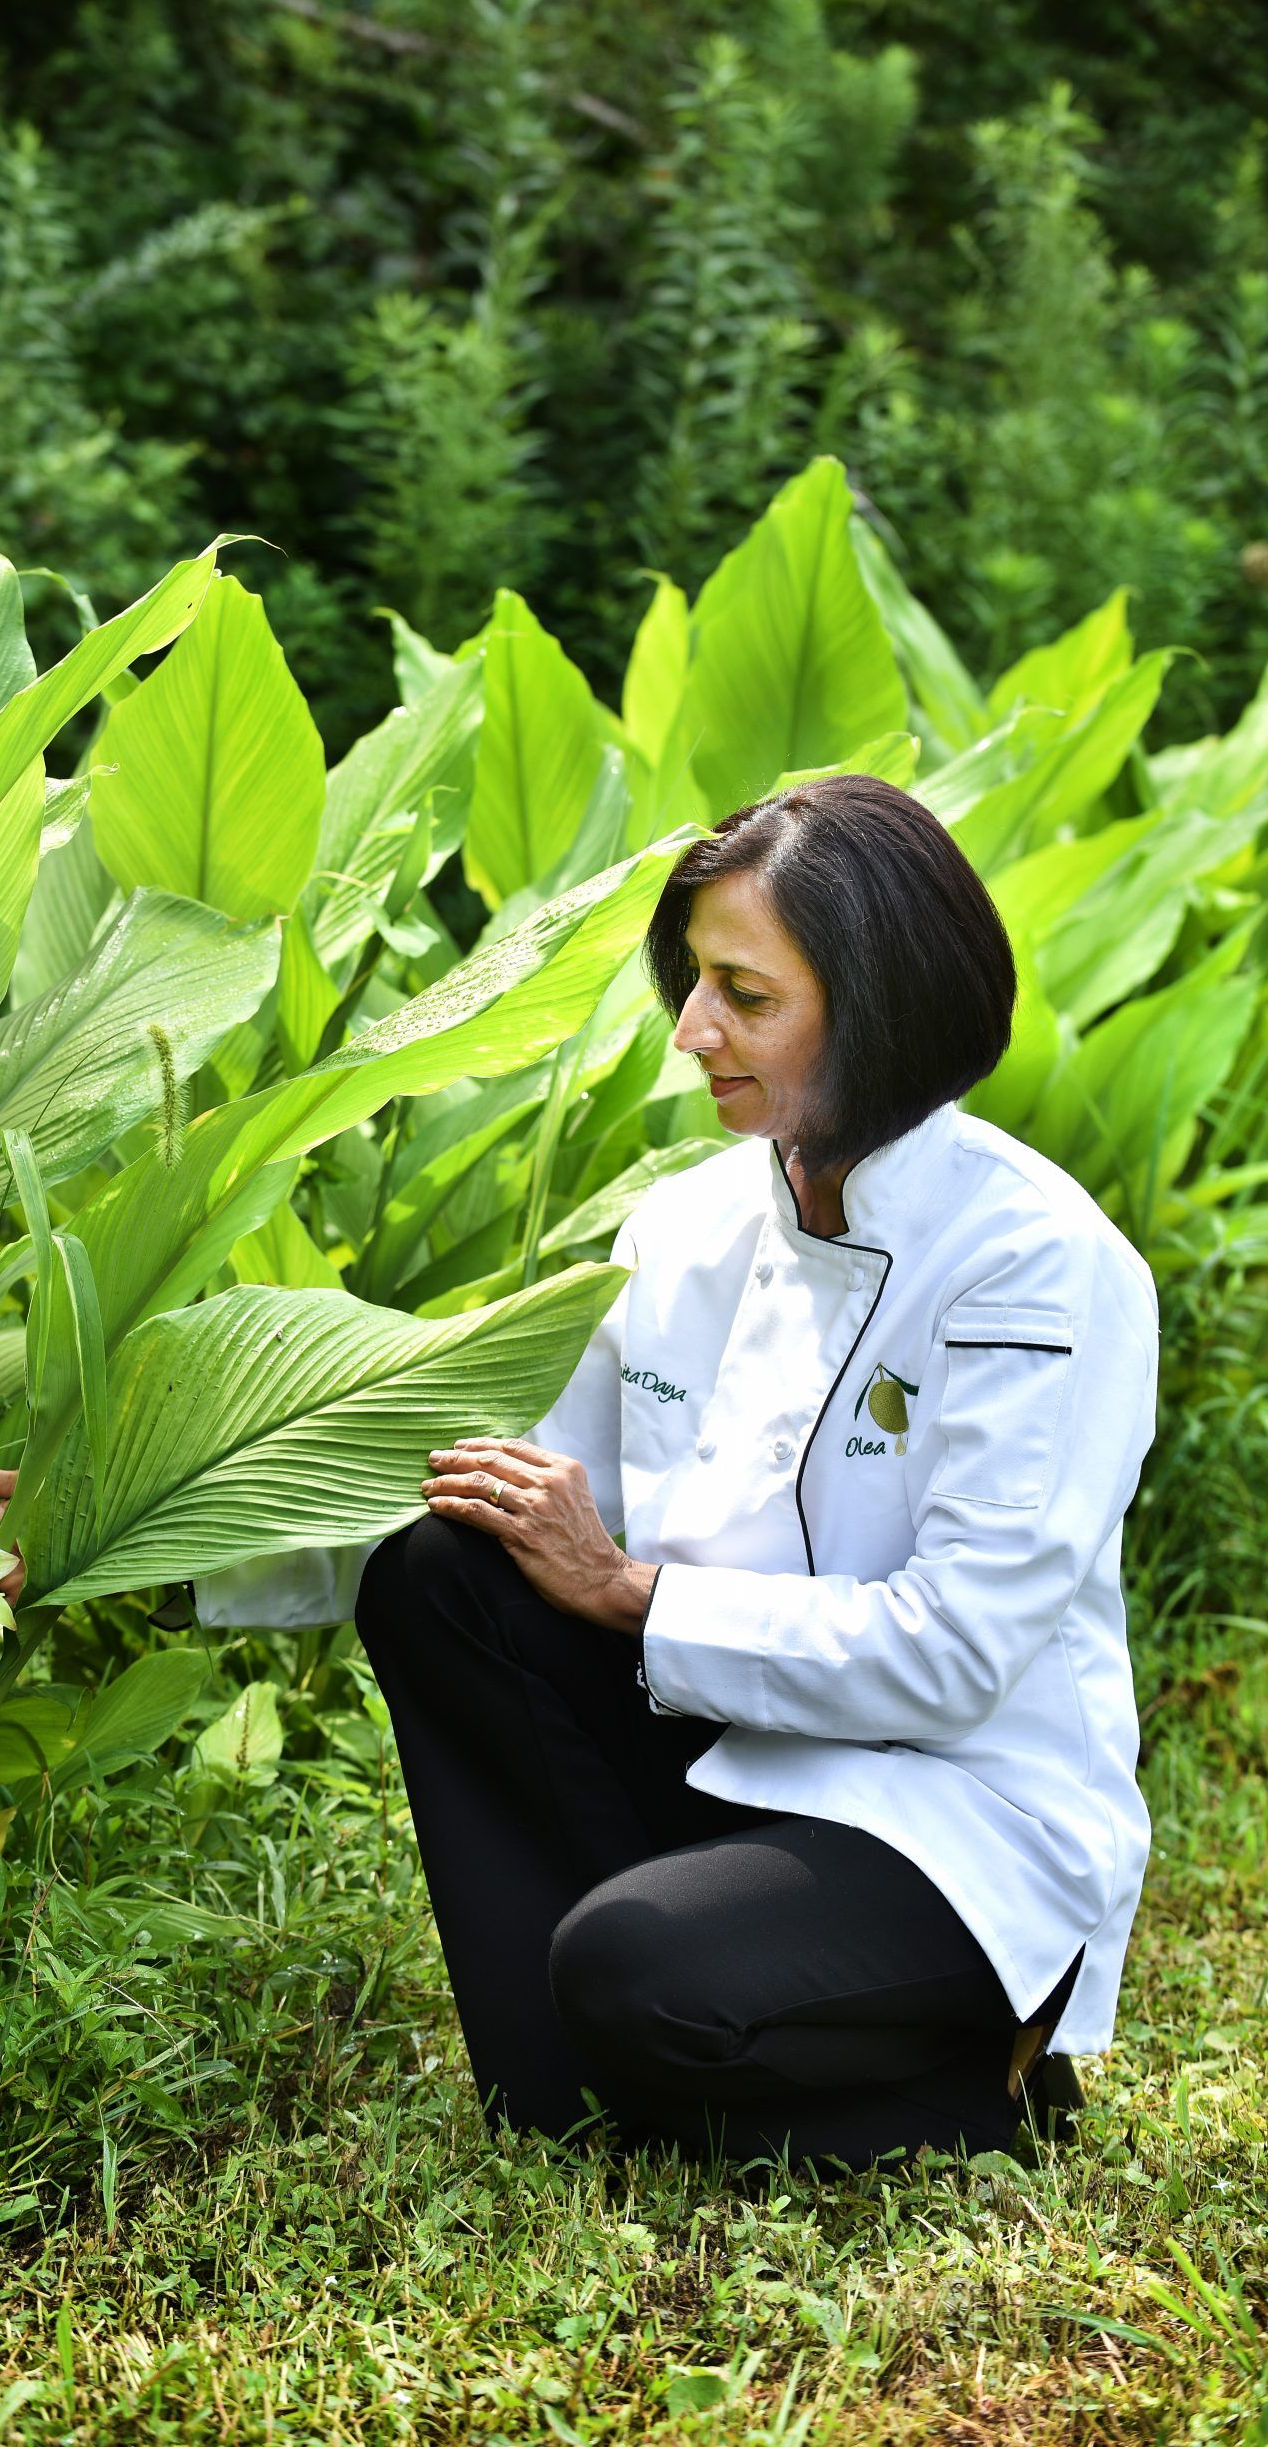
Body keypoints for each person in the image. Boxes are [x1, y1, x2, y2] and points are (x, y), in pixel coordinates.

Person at [351, 774, 1160, 2169]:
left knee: (636, 1967)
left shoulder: (1034, 1262)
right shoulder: (687, 1222)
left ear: (880, 1002)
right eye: (692, 985)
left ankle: (994, 2089)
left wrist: (631, 1596)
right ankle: (585, 2097)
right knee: (447, 1569)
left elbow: (952, 1653)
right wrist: (119, 1542)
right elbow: (497, 1476)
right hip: (737, 1748)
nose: (689, 1033)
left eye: (743, 994)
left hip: (955, 1807)